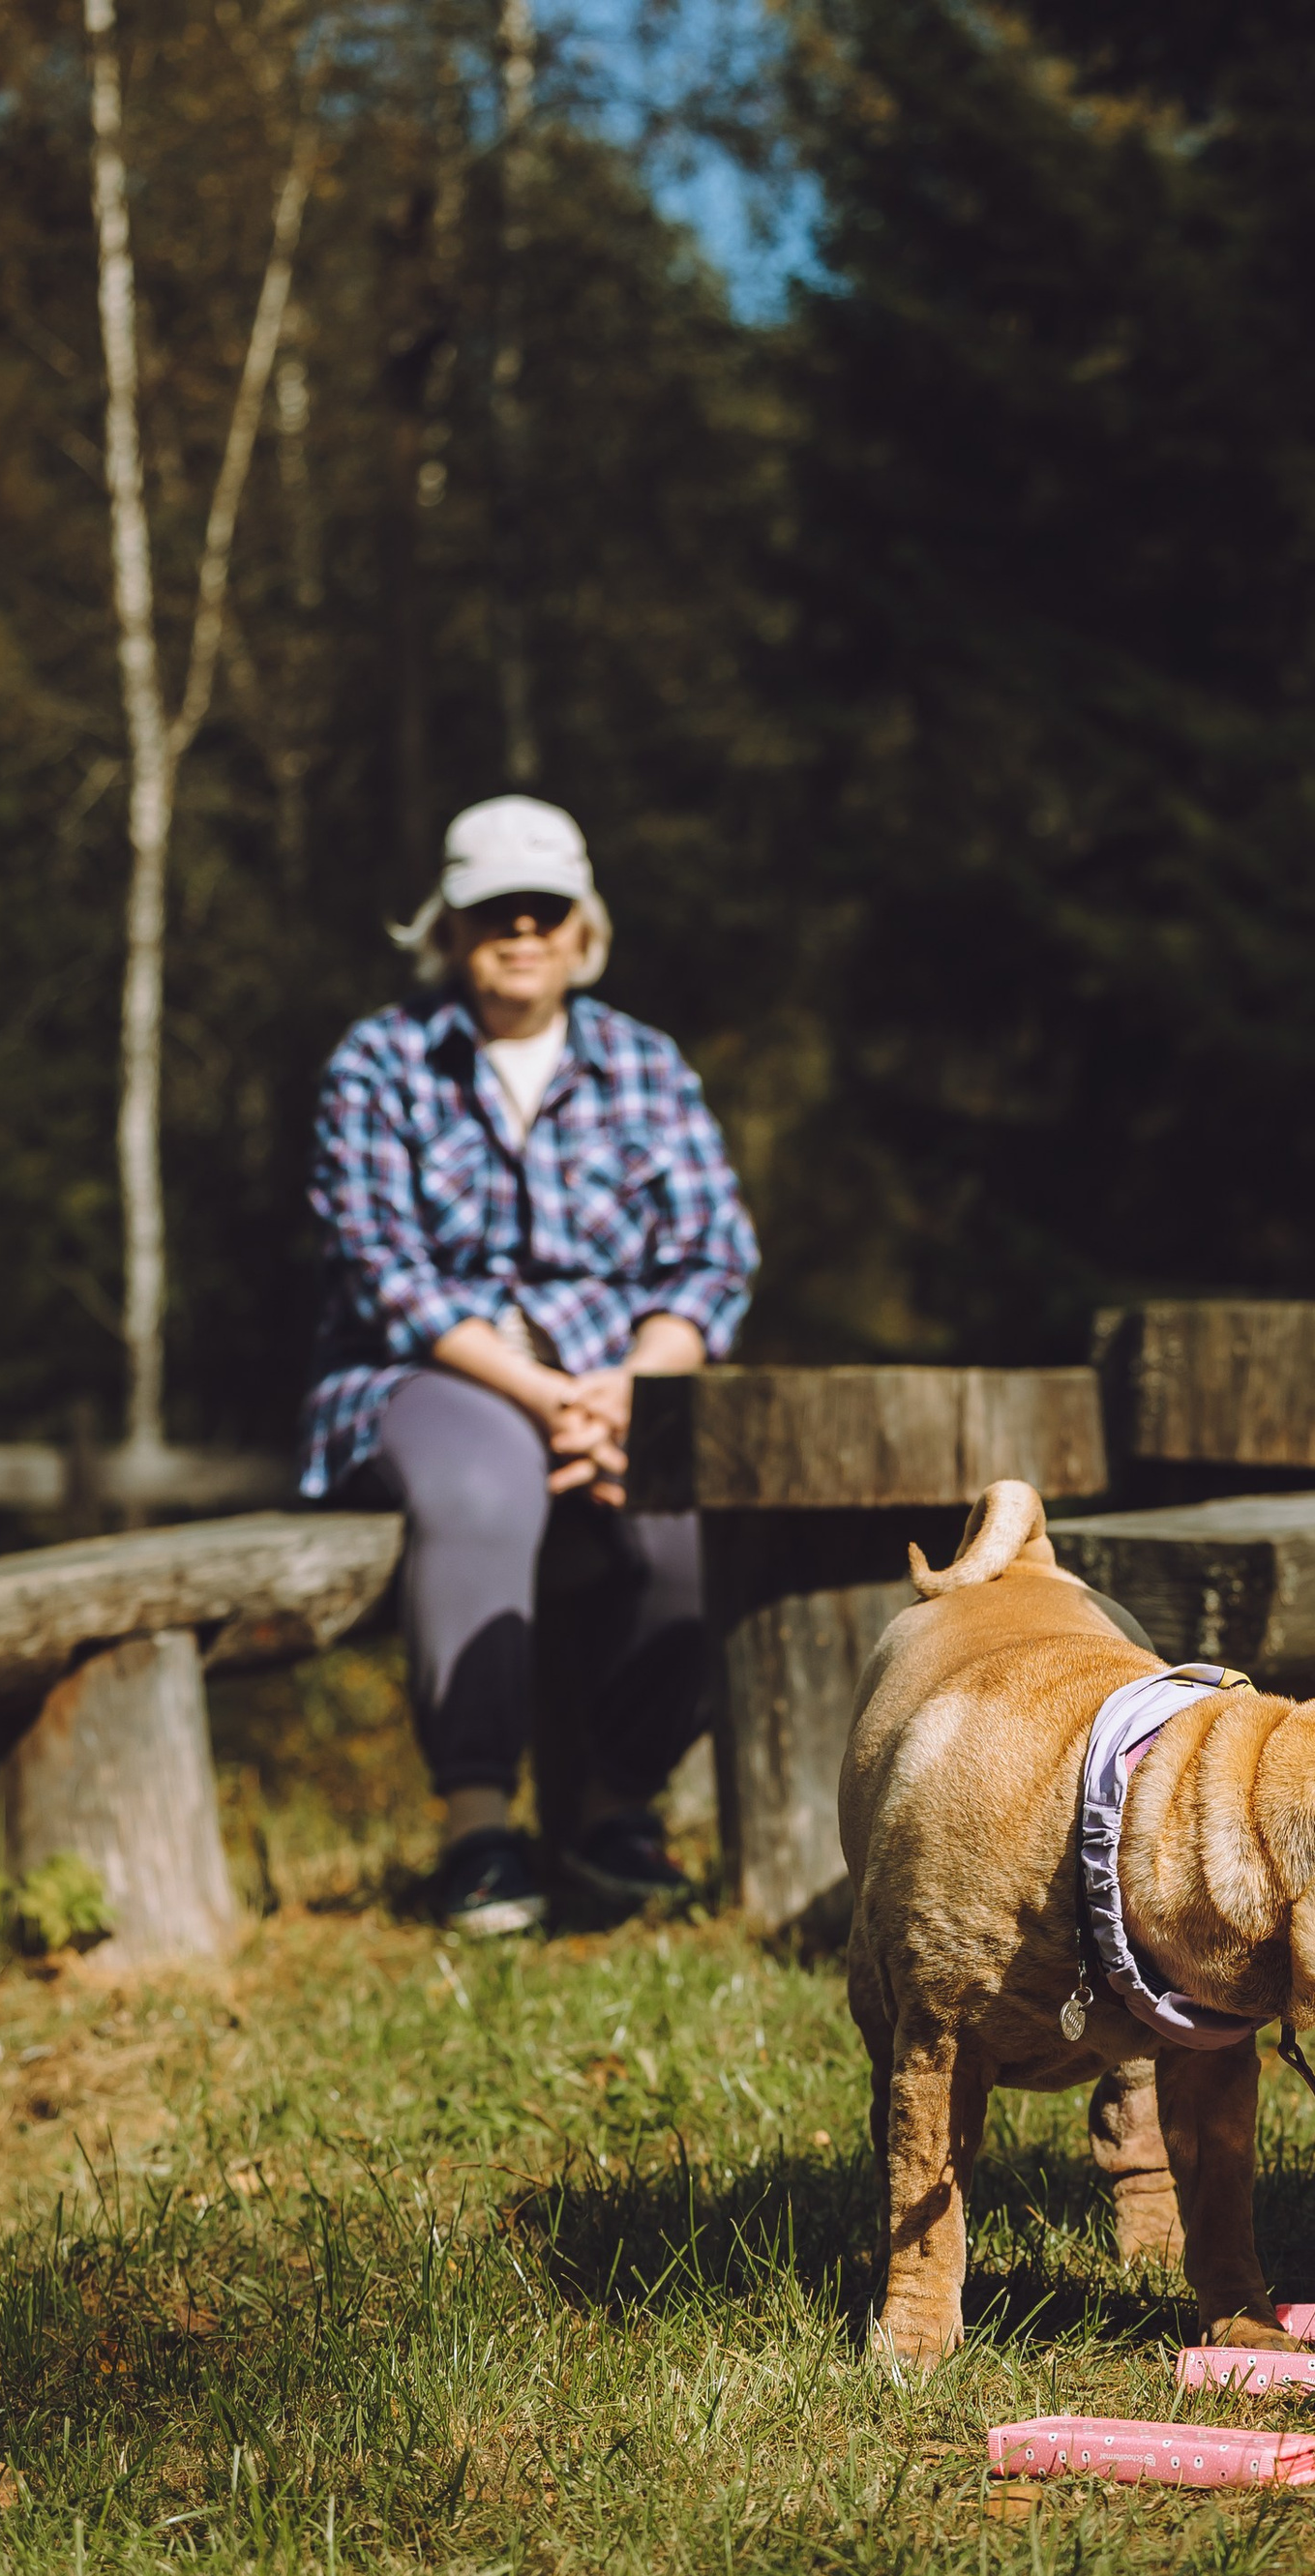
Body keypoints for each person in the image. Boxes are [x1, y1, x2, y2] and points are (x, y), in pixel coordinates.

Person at [301, 796, 758, 1934]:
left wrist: (632, 1387)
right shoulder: (379, 1061)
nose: (520, 929)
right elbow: (383, 1270)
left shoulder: (645, 1065)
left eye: (544, 908)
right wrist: (548, 1398)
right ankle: (477, 1831)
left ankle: (616, 1809)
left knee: (702, 1520)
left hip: (622, 1378)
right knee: (483, 1484)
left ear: (581, 926)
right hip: (428, 1373)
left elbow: (712, 1257)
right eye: (494, 908)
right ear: (447, 927)